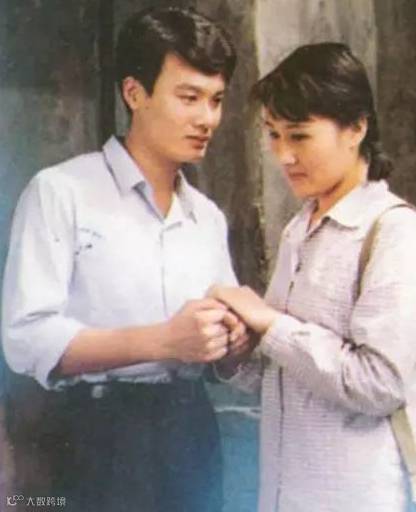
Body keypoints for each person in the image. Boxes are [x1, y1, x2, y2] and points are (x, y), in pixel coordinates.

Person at [2, 6, 248, 512]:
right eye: (189, 98)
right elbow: (26, 338)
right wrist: (164, 340)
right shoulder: (61, 191)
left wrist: (233, 344)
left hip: (191, 433)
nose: (207, 119)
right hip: (94, 435)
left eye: (217, 100)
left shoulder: (206, 217)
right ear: (135, 93)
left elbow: (221, 356)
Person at [209, 43, 416, 512]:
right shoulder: (300, 227)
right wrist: (238, 352)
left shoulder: (395, 233)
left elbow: (380, 384)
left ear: (356, 128)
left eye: (299, 136)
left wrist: (271, 324)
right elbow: (290, 375)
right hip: (285, 496)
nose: (283, 155)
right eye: (273, 135)